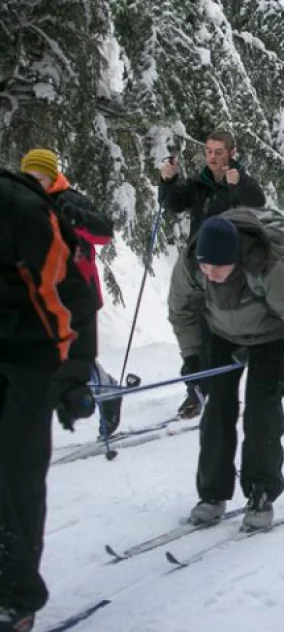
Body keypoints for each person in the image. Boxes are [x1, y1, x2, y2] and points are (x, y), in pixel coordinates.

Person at [168, 210, 284, 530]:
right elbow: (181, 310)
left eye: (218, 266)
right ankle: (212, 493)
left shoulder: (268, 265)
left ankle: (261, 491)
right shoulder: (192, 264)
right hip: (220, 334)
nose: (210, 273)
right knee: (217, 408)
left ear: (235, 257)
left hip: (270, 337)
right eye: (206, 266)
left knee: (262, 411)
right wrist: (192, 355)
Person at [0, 169, 98, 632]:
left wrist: (74, 375)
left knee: (16, 475)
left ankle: (15, 601)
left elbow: (67, 297)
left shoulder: (19, 211)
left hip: (32, 356)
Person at [159, 130, 267, 420]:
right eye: (208, 151)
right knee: (185, 318)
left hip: (229, 268)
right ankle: (197, 384)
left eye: (219, 152)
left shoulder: (238, 180)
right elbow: (173, 205)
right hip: (197, 263)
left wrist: (240, 183)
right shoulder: (200, 183)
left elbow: (258, 202)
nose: (212, 157)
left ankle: (202, 390)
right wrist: (167, 180)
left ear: (231, 153)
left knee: (212, 328)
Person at [20, 148, 122, 438]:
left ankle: (106, 389)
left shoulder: (68, 200)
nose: (31, 182)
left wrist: (71, 216)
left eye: (37, 177)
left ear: (51, 177)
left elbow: (103, 233)